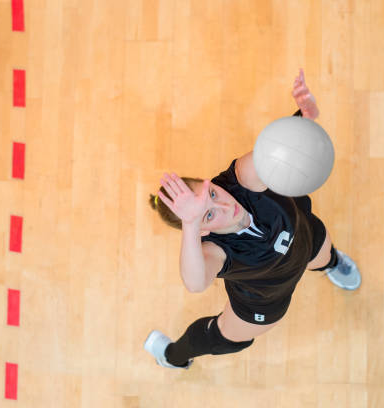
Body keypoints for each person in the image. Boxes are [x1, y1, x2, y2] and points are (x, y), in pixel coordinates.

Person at [143, 69, 361, 370]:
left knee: (326, 255)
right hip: (265, 298)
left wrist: (306, 116)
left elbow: (279, 153)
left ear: (212, 183)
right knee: (227, 338)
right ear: (201, 230)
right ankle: (174, 356)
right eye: (208, 214)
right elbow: (195, 284)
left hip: (306, 238)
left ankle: (334, 264)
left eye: (214, 194)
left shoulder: (242, 178)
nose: (224, 206)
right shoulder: (214, 250)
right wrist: (190, 223)